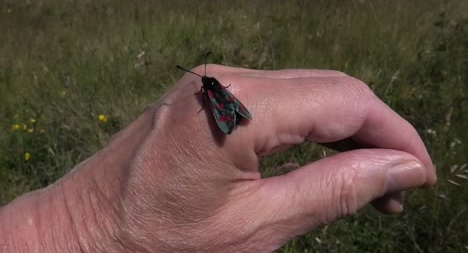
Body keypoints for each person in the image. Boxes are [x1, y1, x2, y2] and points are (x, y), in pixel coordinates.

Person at [0, 65, 436, 252]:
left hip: (227, 107)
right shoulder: (211, 91)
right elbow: (219, 106)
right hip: (227, 107)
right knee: (225, 110)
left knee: (225, 110)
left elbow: (220, 106)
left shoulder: (210, 91)